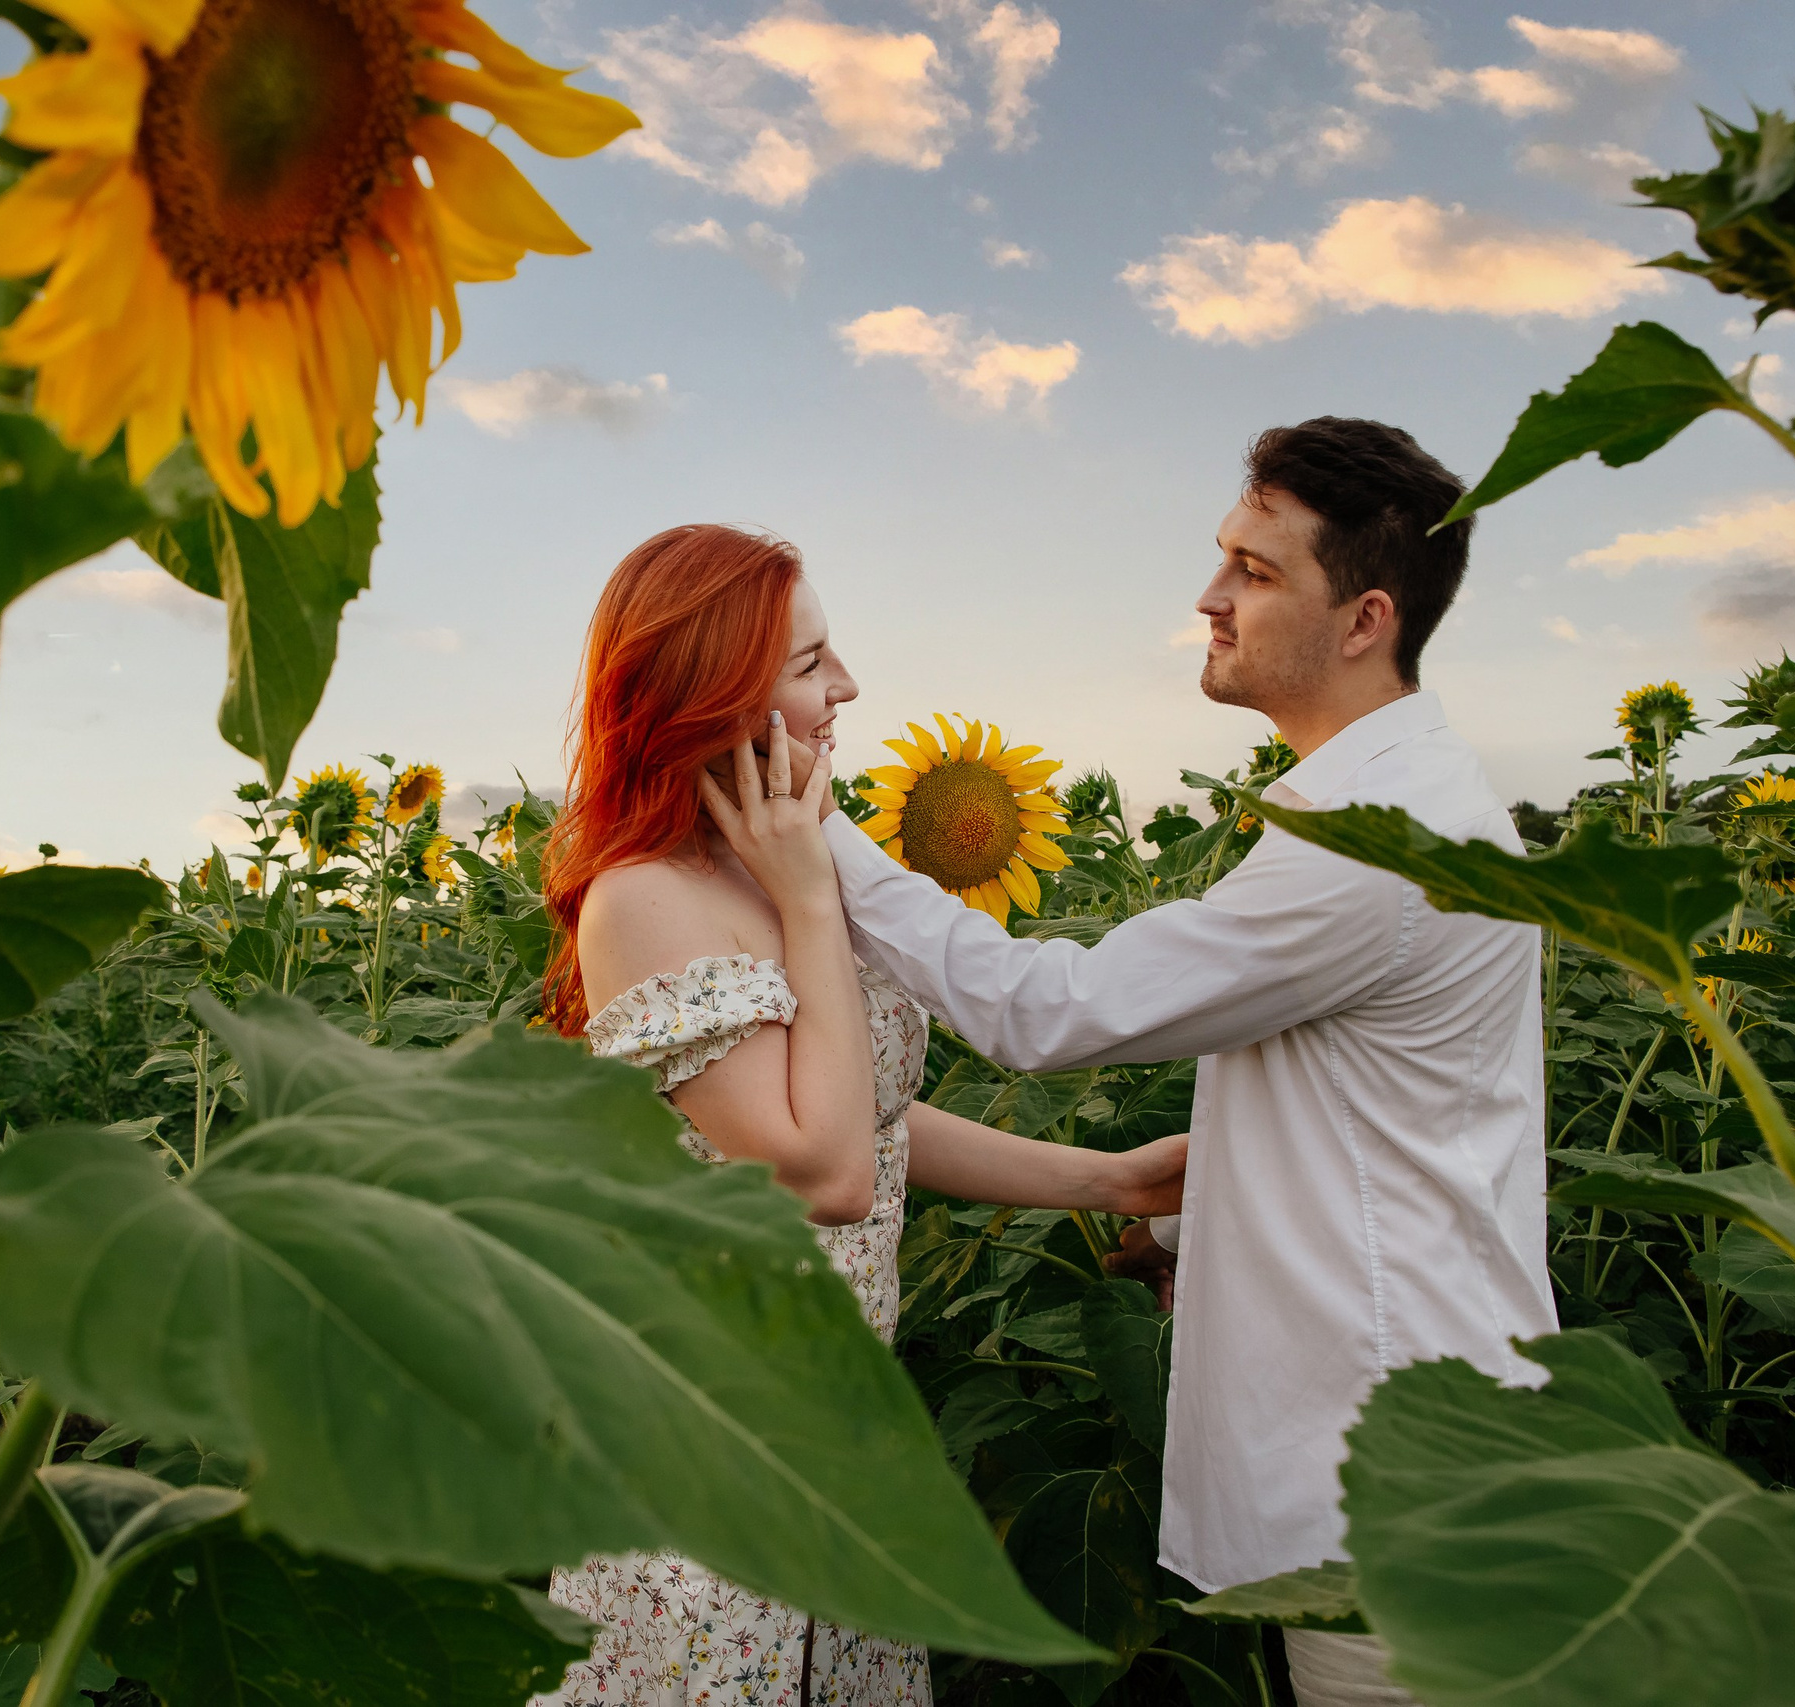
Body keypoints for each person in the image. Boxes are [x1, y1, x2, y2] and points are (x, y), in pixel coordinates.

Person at [719, 420, 1552, 1707]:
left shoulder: (1378, 839)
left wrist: (820, 846)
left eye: (1256, 573)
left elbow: (1047, 1014)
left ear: (1362, 619)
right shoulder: (1386, 803)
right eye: (1223, 558)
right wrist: (1187, 1225)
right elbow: (1387, 1117)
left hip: (1403, 1483)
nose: (1209, 598)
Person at [535, 522, 1192, 1707]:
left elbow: (874, 1115)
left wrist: (1117, 1177)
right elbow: (823, 1170)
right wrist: (807, 902)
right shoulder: (646, 901)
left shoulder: (779, 866)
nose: (848, 687)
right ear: (713, 693)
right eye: (809, 664)